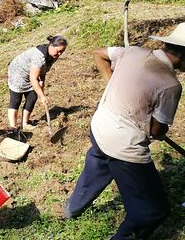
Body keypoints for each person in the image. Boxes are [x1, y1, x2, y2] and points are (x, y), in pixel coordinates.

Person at [64, 23, 185, 239]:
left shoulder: (133, 51)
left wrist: (113, 85)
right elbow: (156, 131)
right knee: (151, 211)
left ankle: (72, 208)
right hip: (123, 144)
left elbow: (99, 54)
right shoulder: (170, 85)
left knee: (99, 163)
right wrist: (158, 130)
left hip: (100, 125)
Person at [7, 35, 67, 131]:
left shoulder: (53, 55)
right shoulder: (39, 56)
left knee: (32, 97)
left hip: (31, 73)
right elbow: (33, 78)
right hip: (18, 73)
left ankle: (25, 123)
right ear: (51, 45)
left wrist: (42, 81)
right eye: (58, 51)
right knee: (16, 99)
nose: (59, 54)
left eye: (62, 52)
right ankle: (13, 127)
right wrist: (42, 96)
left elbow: (43, 69)